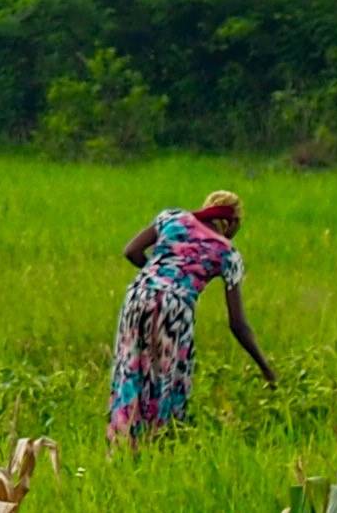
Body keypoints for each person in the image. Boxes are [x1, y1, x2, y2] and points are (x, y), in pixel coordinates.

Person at [107, 188, 270, 443]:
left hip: (138, 295)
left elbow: (131, 251)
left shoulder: (171, 218)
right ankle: (159, 445)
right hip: (175, 308)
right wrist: (267, 369)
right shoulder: (228, 253)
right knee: (168, 381)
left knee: (130, 370)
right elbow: (238, 324)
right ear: (231, 222)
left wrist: (157, 276)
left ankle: (122, 444)